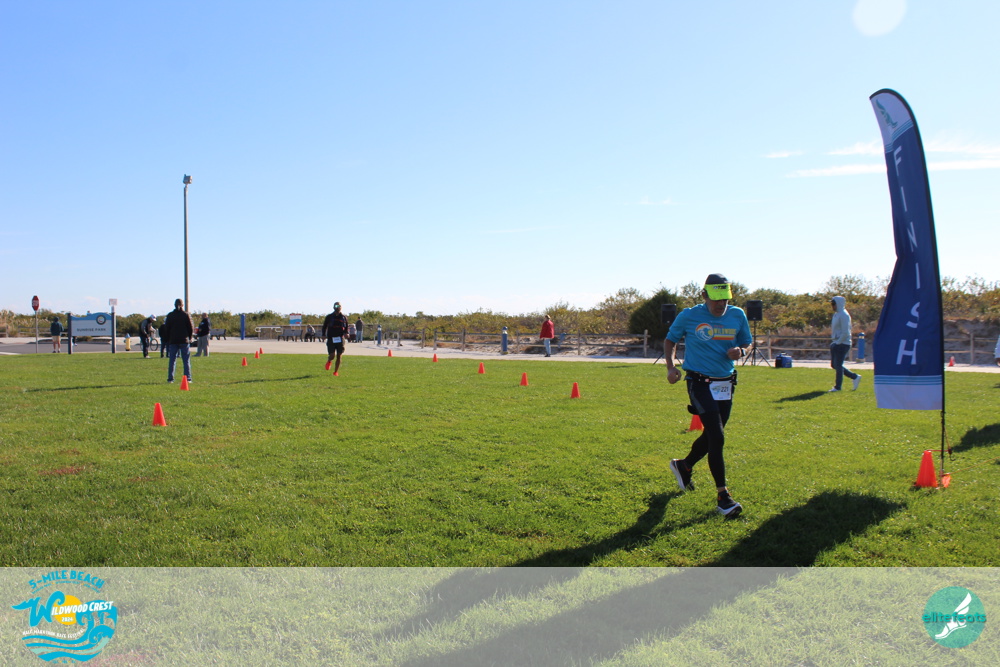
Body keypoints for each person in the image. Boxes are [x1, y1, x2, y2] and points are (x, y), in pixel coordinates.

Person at [664, 273, 752, 519]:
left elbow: (748, 342)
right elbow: (670, 340)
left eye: (725, 300)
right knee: (717, 436)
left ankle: (684, 465)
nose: (720, 304)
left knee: (713, 433)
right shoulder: (689, 315)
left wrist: (741, 350)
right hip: (699, 382)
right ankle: (724, 498)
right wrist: (671, 367)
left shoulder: (738, 315)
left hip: (726, 383)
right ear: (704, 295)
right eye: (716, 299)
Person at [829, 296, 861, 392]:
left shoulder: (844, 315)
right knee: (834, 365)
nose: (832, 306)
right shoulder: (837, 314)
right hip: (836, 342)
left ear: (838, 304)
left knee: (838, 365)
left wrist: (838, 343)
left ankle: (838, 387)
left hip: (843, 343)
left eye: (833, 304)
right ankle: (854, 377)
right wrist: (834, 342)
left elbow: (845, 332)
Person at [164, 298, 194, 384]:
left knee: (172, 360)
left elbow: (167, 328)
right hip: (184, 340)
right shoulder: (186, 315)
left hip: (173, 340)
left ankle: (170, 378)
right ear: (182, 305)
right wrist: (190, 337)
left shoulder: (170, 315)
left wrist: (168, 338)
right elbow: (190, 327)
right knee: (186, 360)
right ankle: (188, 378)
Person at [322, 301, 350, 375]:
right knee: (332, 355)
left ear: (341, 307)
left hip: (340, 338)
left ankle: (335, 372)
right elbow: (324, 326)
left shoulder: (344, 317)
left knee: (339, 356)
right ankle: (329, 361)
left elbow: (346, 327)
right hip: (331, 338)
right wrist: (323, 335)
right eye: (336, 306)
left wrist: (347, 333)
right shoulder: (329, 317)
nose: (337, 307)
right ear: (333, 307)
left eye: (339, 306)